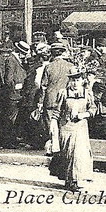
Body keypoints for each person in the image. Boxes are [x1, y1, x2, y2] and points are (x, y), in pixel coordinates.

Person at [55, 66, 97, 191]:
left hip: (81, 127)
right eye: (72, 80)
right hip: (66, 127)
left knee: (79, 154)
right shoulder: (63, 93)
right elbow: (57, 111)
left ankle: (75, 179)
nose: (74, 83)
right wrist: (53, 126)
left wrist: (84, 114)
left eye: (77, 80)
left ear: (82, 80)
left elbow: (93, 109)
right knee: (67, 153)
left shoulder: (87, 93)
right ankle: (68, 179)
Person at [40, 41, 73, 176]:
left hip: (51, 99)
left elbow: (43, 86)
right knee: (62, 124)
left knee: (50, 124)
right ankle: (62, 148)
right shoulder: (70, 66)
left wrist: (40, 102)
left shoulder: (48, 67)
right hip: (65, 100)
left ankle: (53, 147)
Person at [0, 41, 29, 148]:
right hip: (13, 94)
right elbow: (8, 79)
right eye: (23, 53)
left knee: (14, 118)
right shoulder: (12, 60)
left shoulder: (17, 60)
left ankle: (11, 139)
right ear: (19, 52)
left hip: (18, 94)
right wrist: (16, 87)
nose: (24, 55)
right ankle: (8, 141)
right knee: (10, 118)